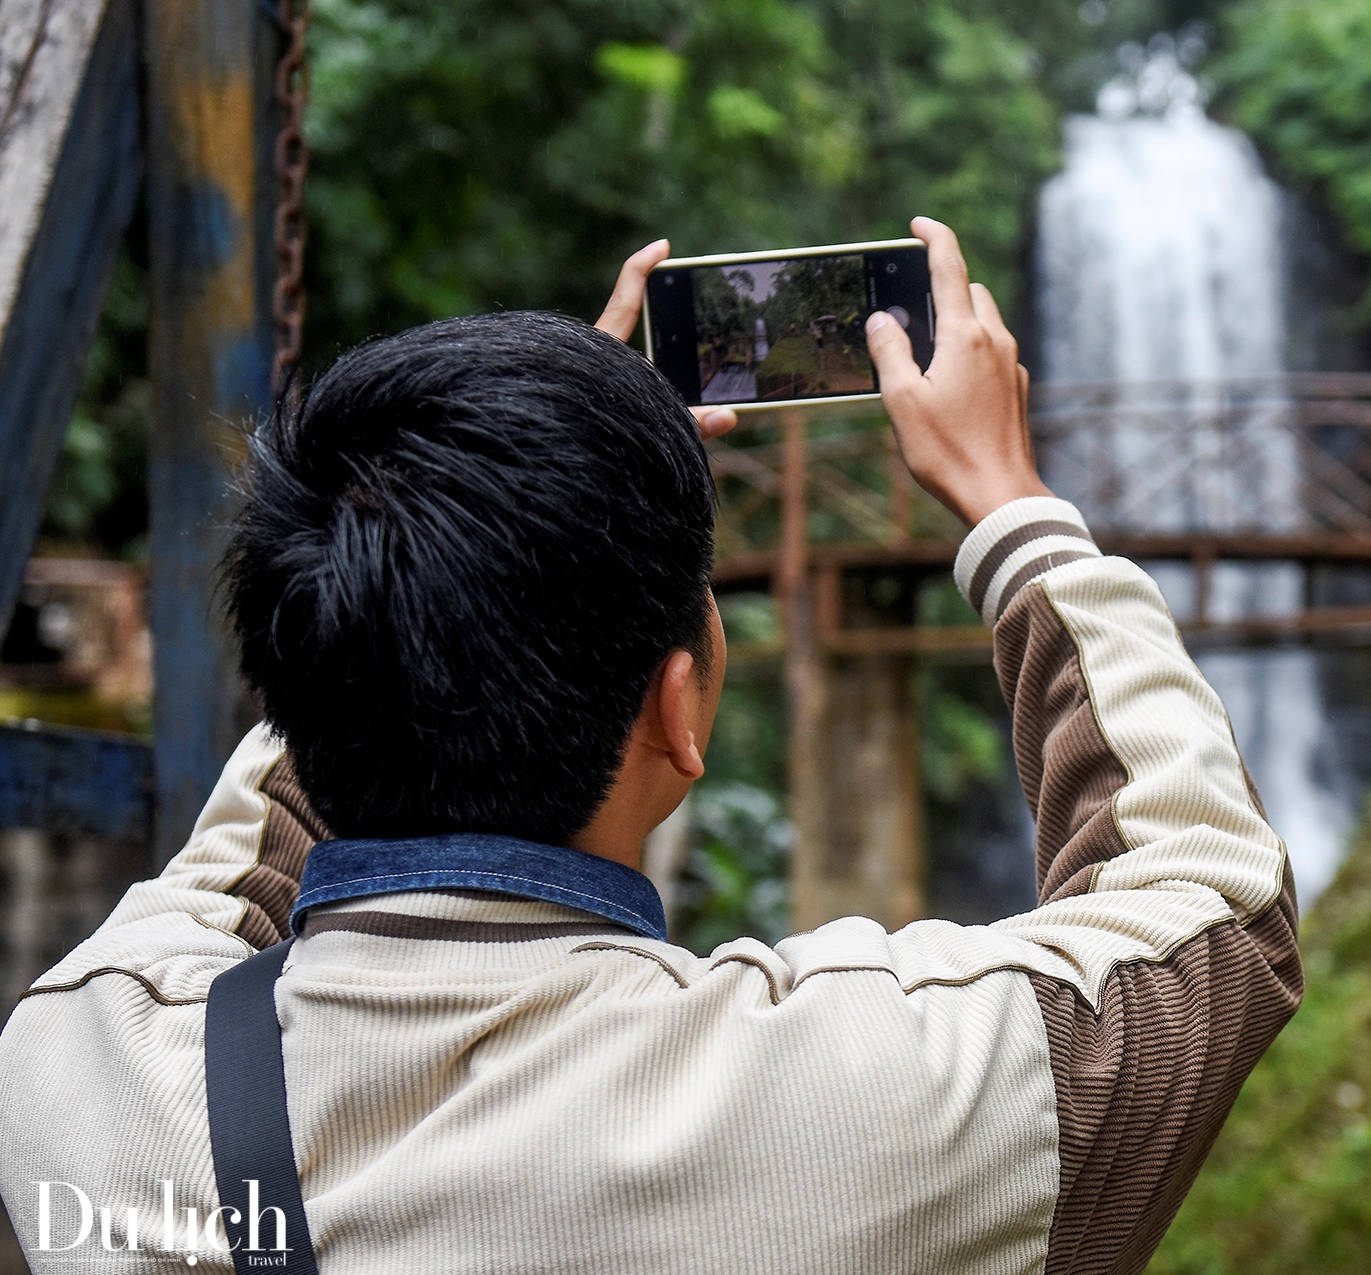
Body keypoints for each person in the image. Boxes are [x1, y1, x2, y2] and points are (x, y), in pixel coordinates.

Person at [0, 219, 1301, 1273]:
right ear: (679, 714)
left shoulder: (80, 1064)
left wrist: (493, 493)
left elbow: (254, 841)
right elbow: (1217, 907)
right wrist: (1015, 509)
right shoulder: (876, 1106)